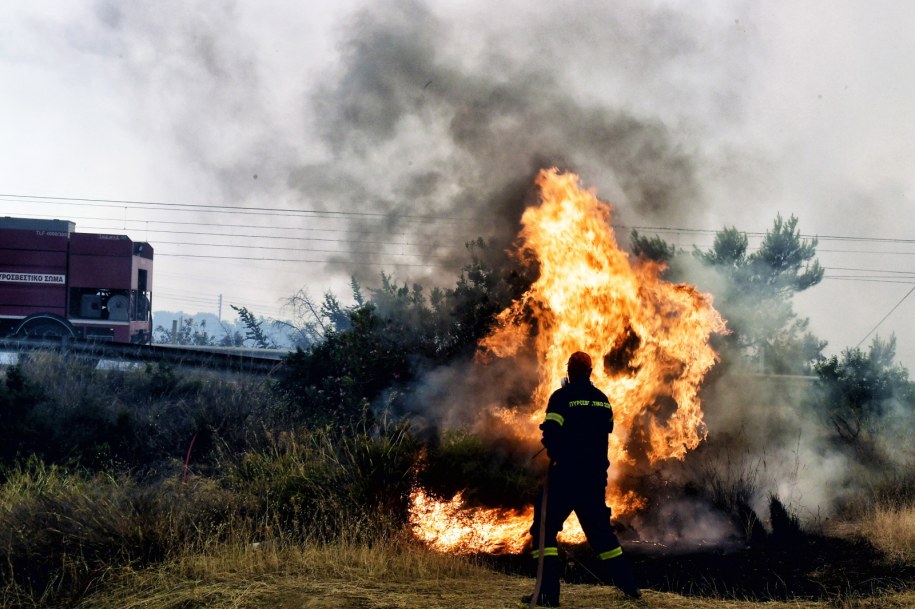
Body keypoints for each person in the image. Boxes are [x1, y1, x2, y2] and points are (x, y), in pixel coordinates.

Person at [524, 351, 640, 606]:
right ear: (589, 372)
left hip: (565, 477)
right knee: (602, 537)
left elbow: (551, 434)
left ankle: (547, 594)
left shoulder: (561, 397)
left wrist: (556, 450)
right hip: (593, 480)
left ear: (569, 371)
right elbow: (604, 431)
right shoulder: (602, 400)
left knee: (544, 530)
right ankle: (630, 588)